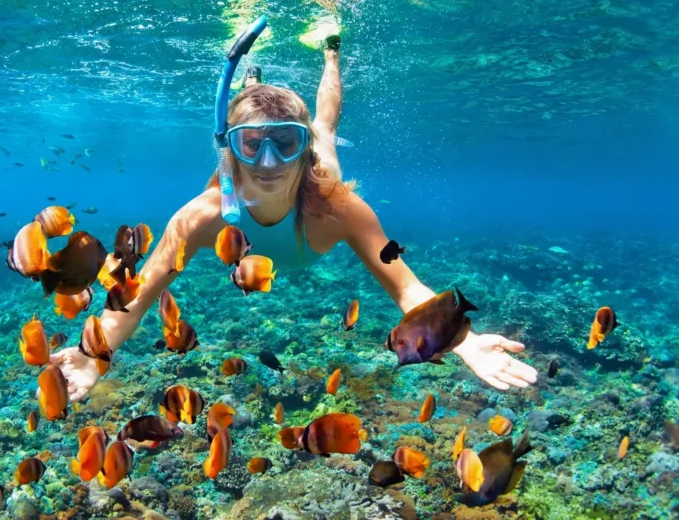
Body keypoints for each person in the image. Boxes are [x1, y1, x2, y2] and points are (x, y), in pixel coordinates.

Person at [46, 33, 538, 402]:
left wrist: (462, 338)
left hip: (318, 177)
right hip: (228, 183)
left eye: (286, 143)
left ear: (304, 155)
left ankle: (330, 52)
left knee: (324, 124)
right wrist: (95, 356)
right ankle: (253, 85)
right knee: (258, 114)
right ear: (231, 154)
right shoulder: (203, 216)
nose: (267, 163)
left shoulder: (338, 207)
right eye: (251, 145)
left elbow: (406, 287)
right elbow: (140, 291)